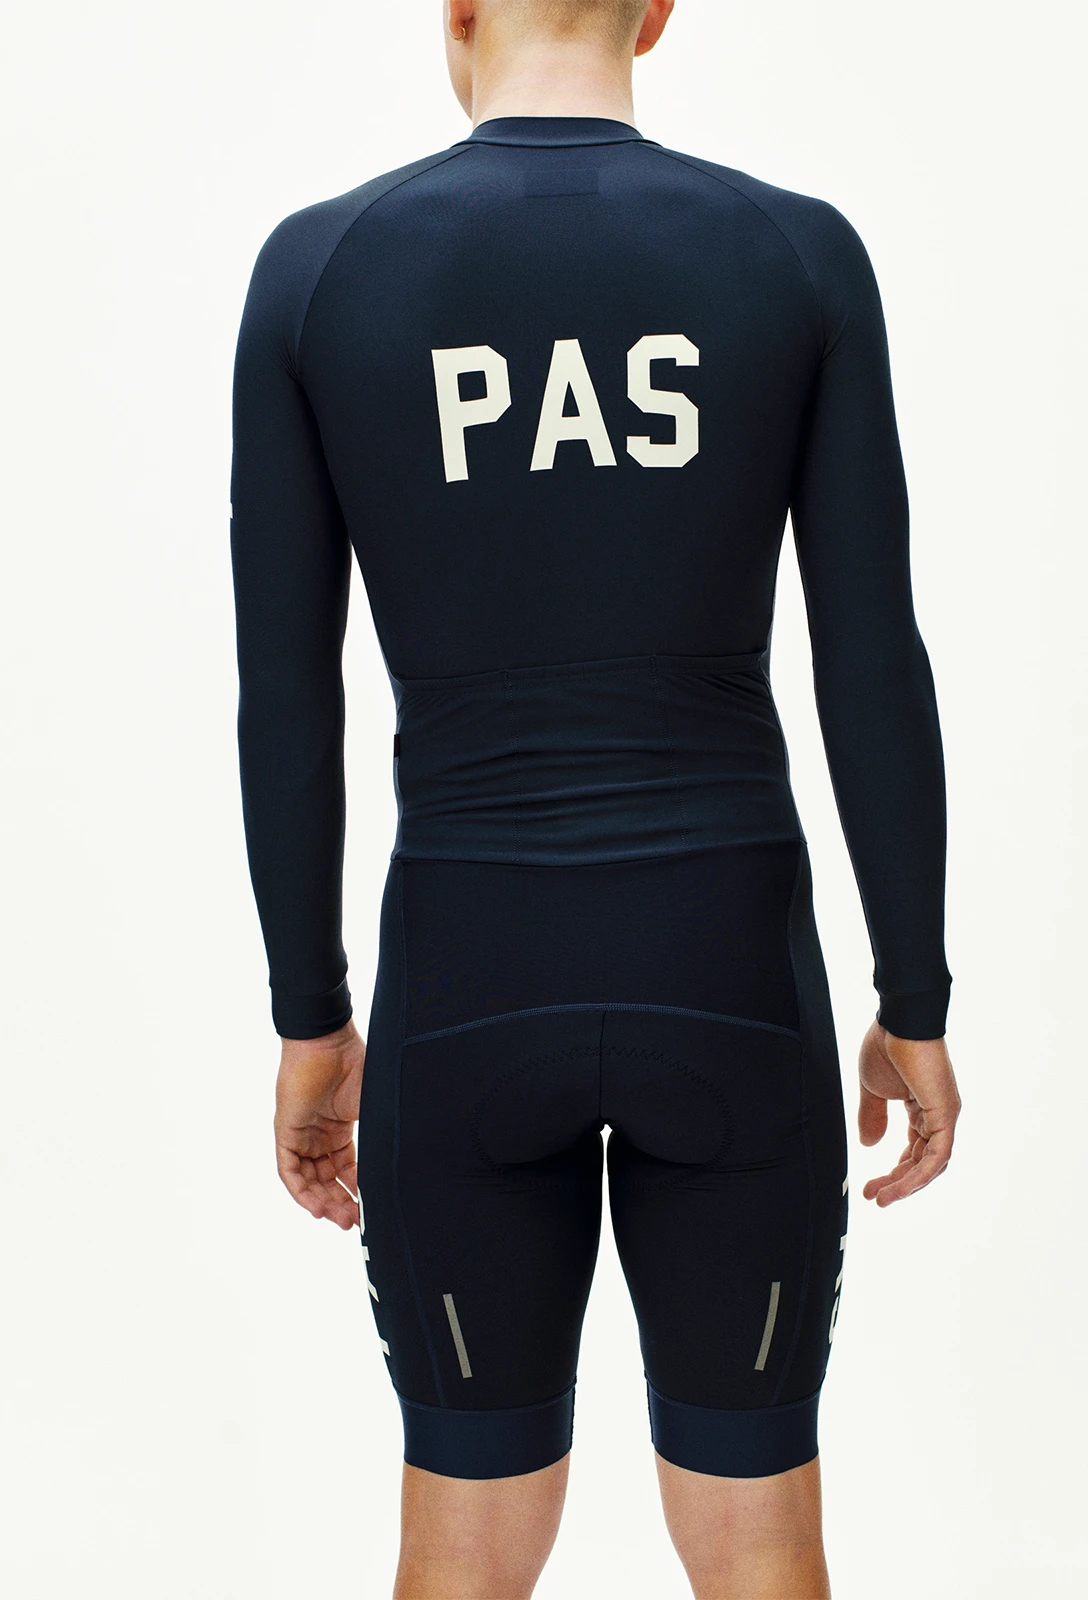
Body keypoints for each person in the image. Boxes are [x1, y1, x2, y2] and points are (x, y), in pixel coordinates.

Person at [230, 1, 962, 1594]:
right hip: (731, 973)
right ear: (658, 8)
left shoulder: (318, 273)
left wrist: (311, 1021)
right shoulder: (796, 256)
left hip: (466, 976)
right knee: (760, 1543)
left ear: (456, 7)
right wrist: (914, 995)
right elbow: (871, 657)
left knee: (462, 1552)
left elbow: (288, 695)